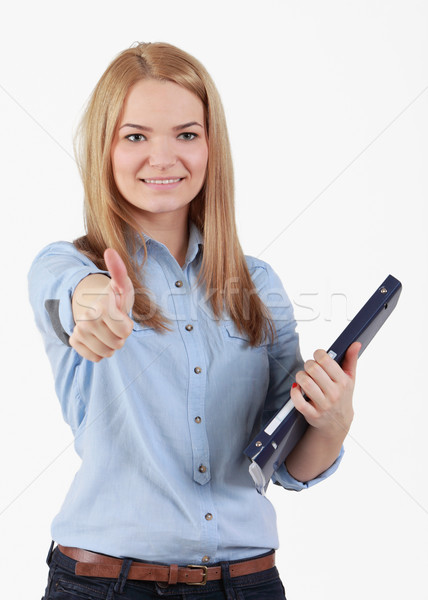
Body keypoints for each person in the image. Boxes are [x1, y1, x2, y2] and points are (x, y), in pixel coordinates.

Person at [28, 41, 360, 600]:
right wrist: (96, 305)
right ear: (104, 150)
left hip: (248, 583)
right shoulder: (68, 266)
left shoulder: (259, 286)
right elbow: (73, 296)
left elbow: (286, 466)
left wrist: (331, 422)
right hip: (106, 585)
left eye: (186, 134)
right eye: (135, 137)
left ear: (211, 147)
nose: (163, 158)